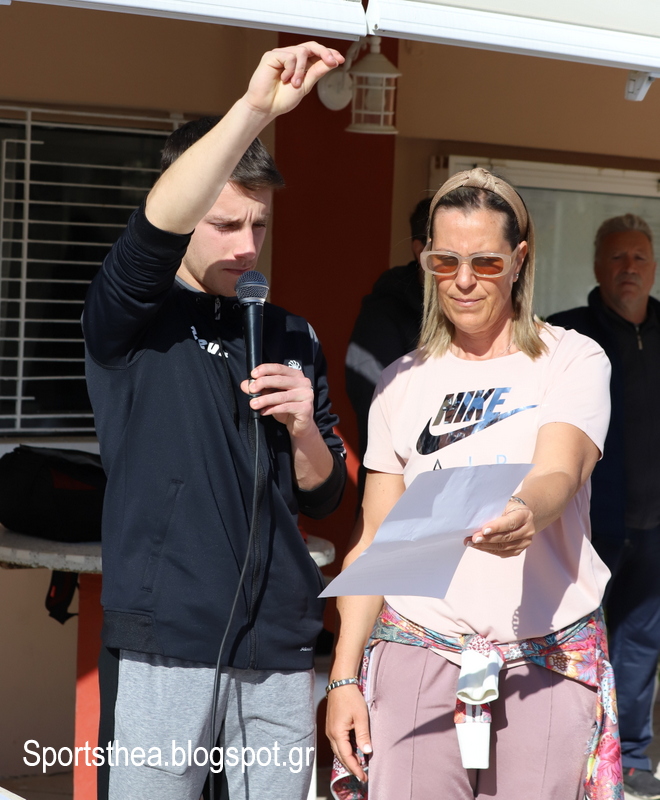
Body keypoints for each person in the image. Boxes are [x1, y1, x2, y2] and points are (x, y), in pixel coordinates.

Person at [83, 43, 347, 800]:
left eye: (259, 225)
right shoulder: (134, 317)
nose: (248, 246)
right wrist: (256, 109)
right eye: (226, 224)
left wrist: (303, 428)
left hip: (279, 642)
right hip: (167, 638)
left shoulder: (291, 332)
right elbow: (151, 232)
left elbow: (324, 493)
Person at [326, 168, 621, 800]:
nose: (463, 281)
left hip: (543, 660)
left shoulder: (571, 358)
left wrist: (525, 511)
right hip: (418, 650)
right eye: (445, 261)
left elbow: (561, 470)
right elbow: (376, 538)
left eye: (486, 262)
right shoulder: (399, 382)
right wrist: (343, 677)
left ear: (519, 259)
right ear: (425, 260)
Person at [548, 214, 660, 800]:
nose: (629, 268)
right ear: (597, 267)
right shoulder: (567, 337)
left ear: (654, 267)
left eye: (639, 257)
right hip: (587, 526)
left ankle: (633, 756)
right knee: (570, 645)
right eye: (617, 257)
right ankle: (569, 754)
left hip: (655, 526)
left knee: (640, 647)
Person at [345, 197, 430, 500]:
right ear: (420, 251)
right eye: (445, 254)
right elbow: (375, 405)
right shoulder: (382, 314)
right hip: (396, 489)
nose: (463, 273)